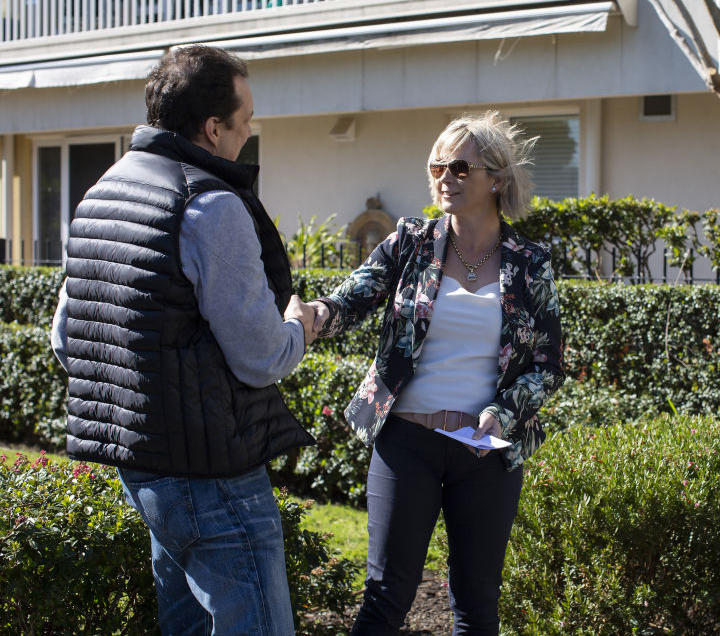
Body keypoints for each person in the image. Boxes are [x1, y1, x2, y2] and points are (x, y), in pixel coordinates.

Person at [50, 44, 317, 635]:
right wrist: (301, 324)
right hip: (212, 472)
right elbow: (262, 357)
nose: (250, 134)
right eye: (245, 122)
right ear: (213, 127)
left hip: (142, 466)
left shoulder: (101, 192)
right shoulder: (210, 206)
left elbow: (69, 342)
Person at [307, 111, 564, 635]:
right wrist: (316, 315)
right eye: (437, 165)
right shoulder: (410, 243)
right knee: (386, 597)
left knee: (476, 605)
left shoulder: (530, 262)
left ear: (497, 178)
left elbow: (548, 366)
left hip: (485, 451)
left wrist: (502, 411)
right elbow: (351, 299)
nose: (445, 176)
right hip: (406, 441)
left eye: (461, 166)